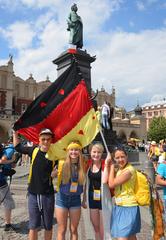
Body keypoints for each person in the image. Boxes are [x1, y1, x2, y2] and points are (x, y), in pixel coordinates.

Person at [13, 128, 56, 240]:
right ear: (39, 140)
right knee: (33, 226)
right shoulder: (33, 151)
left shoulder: (55, 154)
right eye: (43, 139)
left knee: (48, 226)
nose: (46, 142)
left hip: (47, 195)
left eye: (48, 139)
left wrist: (57, 172)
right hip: (33, 194)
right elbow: (18, 147)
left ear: (51, 140)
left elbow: (68, 161)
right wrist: (15, 133)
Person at [54, 140, 86, 240]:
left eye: (76, 150)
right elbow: (52, 175)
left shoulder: (83, 164)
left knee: (74, 229)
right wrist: (53, 173)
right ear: (68, 151)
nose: (73, 152)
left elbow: (87, 184)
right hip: (61, 199)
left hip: (75, 200)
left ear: (80, 152)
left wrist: (84, 200)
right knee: (62, 229)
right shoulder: (62, 163)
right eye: (71, 149)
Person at [108, 147, 141, 240]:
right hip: (120, 206)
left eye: (122, 157)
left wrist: (111, 167)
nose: (120, 160)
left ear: (127, 156)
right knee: (131, 236)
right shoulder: (120, 169)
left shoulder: (128, 170)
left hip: (128, 206)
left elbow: (111, 184)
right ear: (114, 158)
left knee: (122, 237)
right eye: (117, 158)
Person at [82, 143, 112, 240]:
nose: (96, 154)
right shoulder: (88, 164)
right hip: (92, 198)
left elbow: (104, 180)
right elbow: (86, 182)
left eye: (99, 152)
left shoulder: (105, 164)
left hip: (103, 199)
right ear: (90, 152)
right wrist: (84, 199)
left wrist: (107, 164)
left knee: (104, 228)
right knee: (96, 227)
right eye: (94, 152)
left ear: (102, 153)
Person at [0, 142, 16, 231]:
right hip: (1, 182)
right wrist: (12, 160)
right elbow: (2, 161)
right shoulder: (10, 150)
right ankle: (8, 224)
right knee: (8, 203)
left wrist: (11, 165)